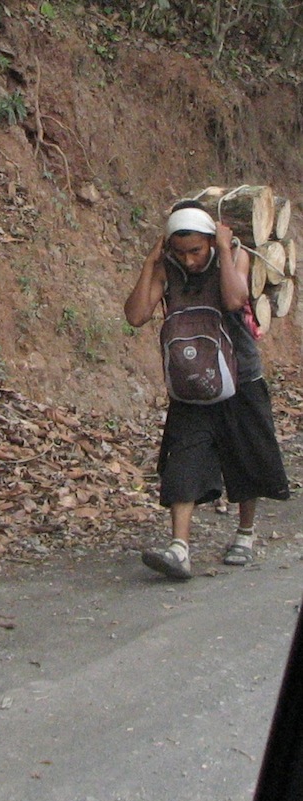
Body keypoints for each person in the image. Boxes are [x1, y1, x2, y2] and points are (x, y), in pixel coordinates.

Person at [124, 200, 289, 580]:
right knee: (182, 461)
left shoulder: (235, 258)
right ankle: (179, 548)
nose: (190, 260)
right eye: (180, 252)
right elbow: (135, 316)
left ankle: (245, 534)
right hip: (191, 383)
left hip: (240, 378)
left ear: (211, 242)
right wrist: (151, 265)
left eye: (197, 250)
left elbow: (234, 299)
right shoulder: (167, 268)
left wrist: (227, 251)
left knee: (244, 457)